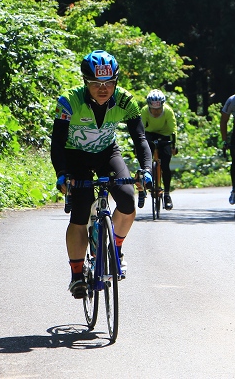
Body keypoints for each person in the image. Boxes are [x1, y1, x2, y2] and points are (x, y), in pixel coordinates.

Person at [51, 50, 152, 299]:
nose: (103, 88)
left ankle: (115, 249)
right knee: (81, 211)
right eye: (96, 83)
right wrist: (63, 173)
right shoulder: (68, 102)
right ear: (86, 82)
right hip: (75, 156)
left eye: (109, 83)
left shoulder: (126, 101)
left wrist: (146, 169)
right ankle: (76, 274)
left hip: (107, 153)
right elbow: (57, 142)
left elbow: (140, 138)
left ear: (116, 81)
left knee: (127, 199)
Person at [141, 89, 178, 210]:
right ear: (149, 106)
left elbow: (173, 130)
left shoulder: (168, 111)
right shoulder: (144, 111)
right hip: (149, 134)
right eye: (153, 109)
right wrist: (137, 147)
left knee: (166, 165)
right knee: (144, 158)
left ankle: (167, 194)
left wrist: (173, 146)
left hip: (165, 135)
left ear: (162, 105)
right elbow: (139, 131)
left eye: (158, 109)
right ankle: (144, 186)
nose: (156, 112)